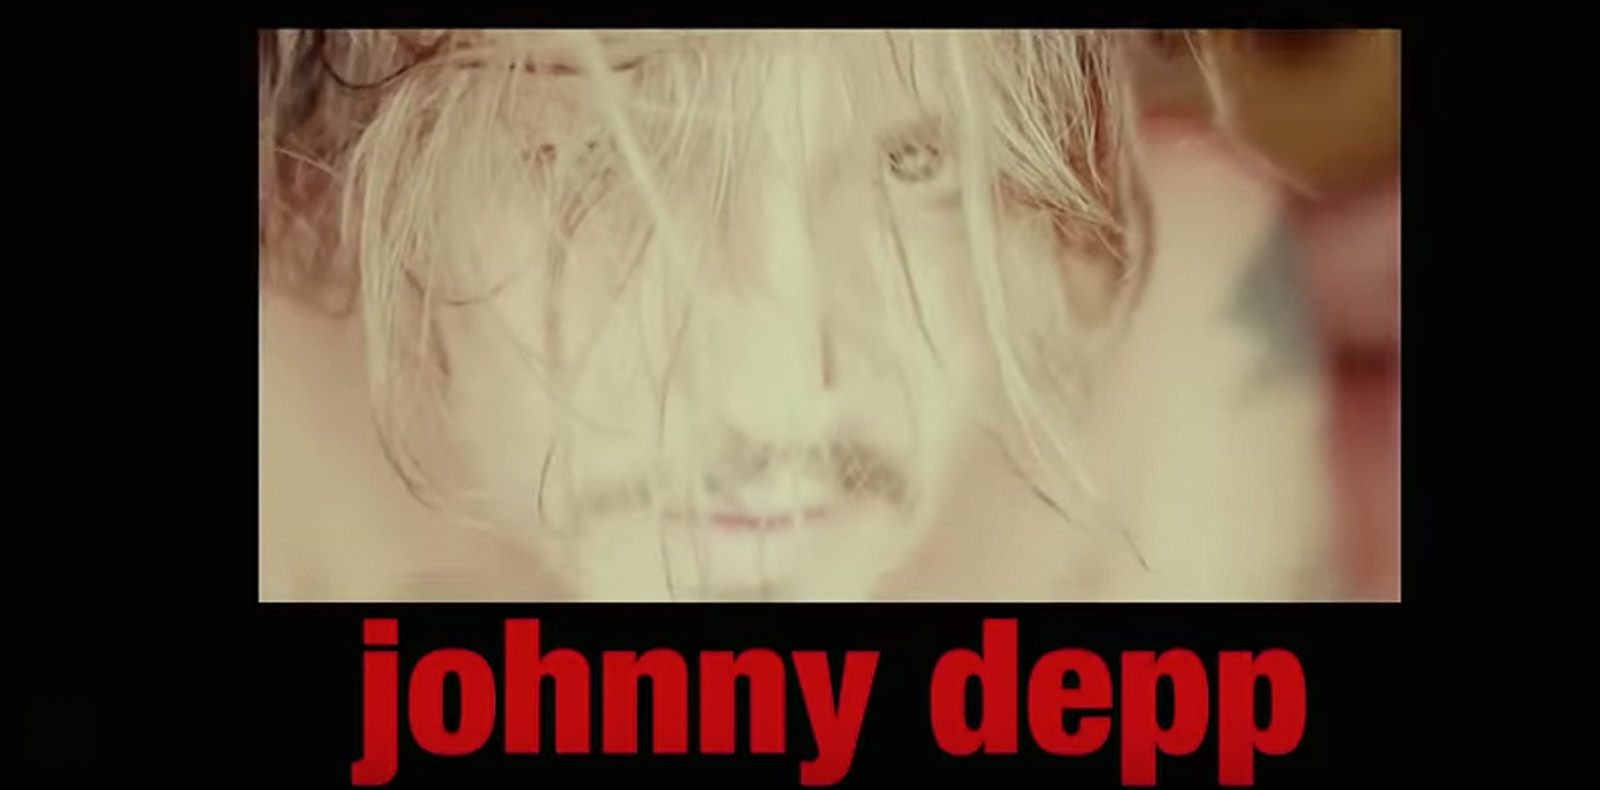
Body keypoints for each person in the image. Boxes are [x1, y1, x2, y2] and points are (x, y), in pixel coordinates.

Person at [259, 30, 1379, 602]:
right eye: (600, 167)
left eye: (918, 162)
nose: (782, 393)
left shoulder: (1177, 312)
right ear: (348, 168)